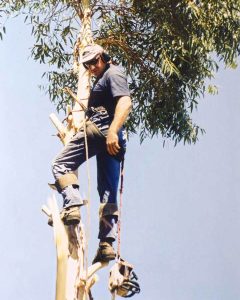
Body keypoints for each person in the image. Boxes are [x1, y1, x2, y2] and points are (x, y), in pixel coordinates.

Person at [51, 44, 132, 263]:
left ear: (104, 57)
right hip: (111, 141)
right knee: (107, 192)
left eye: (95, 62)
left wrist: (113, 130)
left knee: (60, 164)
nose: (92, 67)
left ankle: (72, 203)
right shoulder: (103, 76)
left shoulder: (113, 72)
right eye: (88, 65)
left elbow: (125, 102)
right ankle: (106, 244)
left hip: (103, 131)